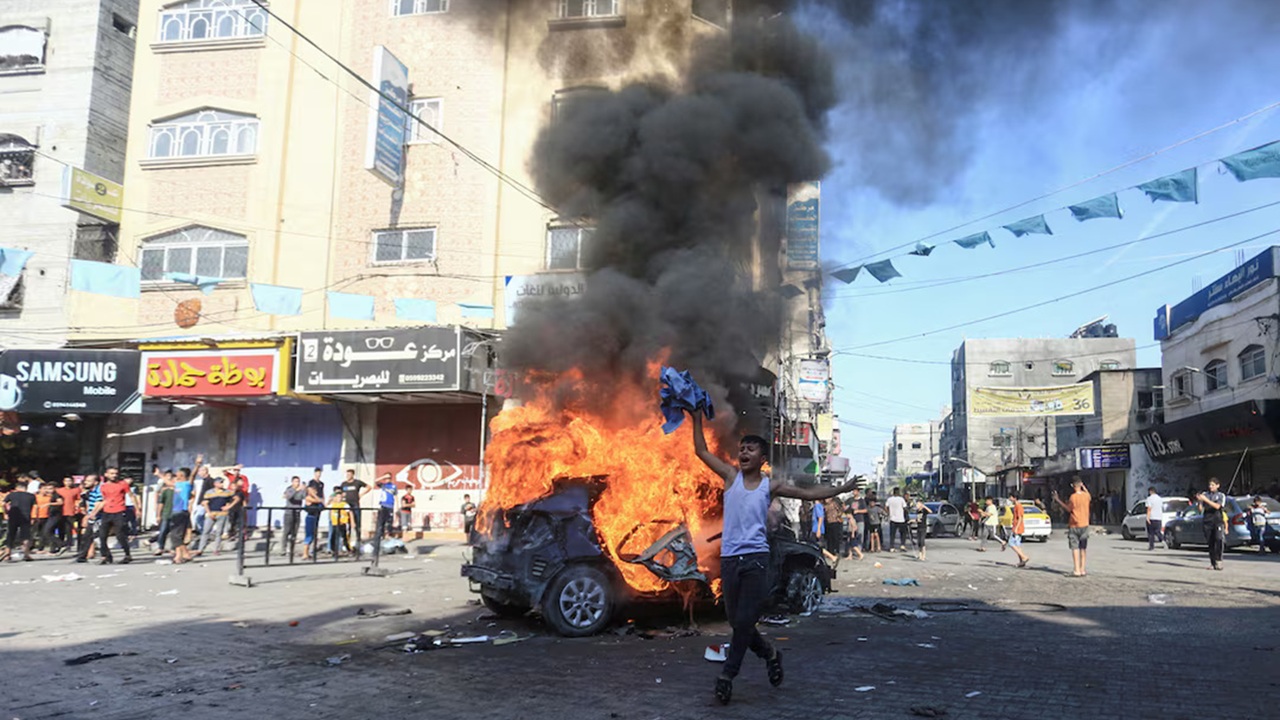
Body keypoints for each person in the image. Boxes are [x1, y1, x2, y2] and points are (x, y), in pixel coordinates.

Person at [686, 409, 859, 705]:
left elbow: (808, 494)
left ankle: (727, 676)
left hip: (755, 560)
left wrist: (842, 488)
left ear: (762, 458)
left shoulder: (770, 486)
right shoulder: (730, 477)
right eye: (741, 448)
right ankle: (770, 653)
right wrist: (696, 417)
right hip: (730, 560)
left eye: (750, 449)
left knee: (743, 621)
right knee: (738, 622)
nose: (743, 452)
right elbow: (701, 450)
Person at [1052, 478, 1092, 577]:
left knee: (1075, 548)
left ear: (1073, 486)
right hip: (1085, 524)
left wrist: (1057, 500)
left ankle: (1076, 569)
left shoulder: (1073, 497)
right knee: (1083, 548)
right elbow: (1089, 495)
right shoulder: (1086, 496)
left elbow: (1068, 509)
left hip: (1074, 524)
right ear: (1081, 485)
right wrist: (1083, 486)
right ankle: (1082, 569)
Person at [95, 468, 133, 565]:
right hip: (107, 512)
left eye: (116, 473)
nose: (114, 475)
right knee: (102, 535)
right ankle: (106, 556)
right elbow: (104, 500)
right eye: (111, 474)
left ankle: (127, 555)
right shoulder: (103, 486)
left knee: (119, 534)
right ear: (106, 474)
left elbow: (131, 495)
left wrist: (138, 509)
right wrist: (93, 513)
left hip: (119, 511)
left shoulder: (123, 484)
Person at [193, 478, 238, 556]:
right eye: (220, 483)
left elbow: (236, 498)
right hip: (211, 514)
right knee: (206, 531)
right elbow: (205, 503)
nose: (222, 484)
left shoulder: (227, 492)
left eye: (222, 483)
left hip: (222, 514)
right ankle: (200, 549)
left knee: (219, 532)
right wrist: (209, 512)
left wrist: (229, 506)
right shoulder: (209, 492)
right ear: (215, 484)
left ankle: (216, 549)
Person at [1196, 479, 1227, 570]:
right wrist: (1199, 501)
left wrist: (1206, 500)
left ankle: (1219, 560)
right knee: (1210, 542)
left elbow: (1217, 506)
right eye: (1210, 485)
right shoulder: (1205, 494)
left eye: (1213, 485)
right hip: (1207, 520)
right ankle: (1213, 563)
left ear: (1218, 485)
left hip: (1217, 520)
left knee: (1219, 539)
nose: (1211, 487)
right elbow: (1200, 510)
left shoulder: (1221, 495)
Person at [2, 483, 35, 561]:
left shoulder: (11, 495)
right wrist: (34, 517)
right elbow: (35, 507)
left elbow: (3, 504)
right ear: (26, 488)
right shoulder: (31, 496)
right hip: (26, 517)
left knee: (11, 534)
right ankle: (26, 554)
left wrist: (5, 512)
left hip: (13, 517)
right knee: (25, 536)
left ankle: (7, 553)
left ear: (17, 488)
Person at [73, 475, 102, 563]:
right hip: (91, 516)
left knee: (98, 536)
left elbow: (99, 503)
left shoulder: (99, 491)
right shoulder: (89, 492)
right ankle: (82, 556)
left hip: (99, 517)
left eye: (89, 481)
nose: (86, 482)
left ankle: (106, 555)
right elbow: (87, 504)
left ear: (95, 482)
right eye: (86, 481)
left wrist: (91, 515)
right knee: (87, 536)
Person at [169, 468, 194, 564]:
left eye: (178, 474)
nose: (176, 475)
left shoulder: (187, 485)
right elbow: (168, 482)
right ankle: (178, 556)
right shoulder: (177, 484)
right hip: (175, 511)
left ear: (182, 476)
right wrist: (159, 474)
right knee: (176, 535)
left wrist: (196, 465)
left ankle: (186, 554)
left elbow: (192, 476)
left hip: (181, 511)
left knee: (175, 536)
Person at [340, 469, 369, 545]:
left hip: (355, 504)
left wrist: (361, 494)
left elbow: (369, 487)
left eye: (349, 475)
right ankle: (347, 540)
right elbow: (340, 493)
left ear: (353, 475)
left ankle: (358, 539)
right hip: (347, 505)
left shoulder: (357, 482)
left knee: (357, 522)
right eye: (347, 474)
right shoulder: (344, 484)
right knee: (347, 523)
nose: (348, 476)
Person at [1002, 490, 1030, 568]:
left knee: (1011, 543)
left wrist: (1016, 528)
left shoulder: (1018, 506)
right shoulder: (1016, 506)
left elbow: (1020, 518)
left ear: (1014, 498)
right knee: (1017, 545)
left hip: (1018, 527)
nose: (1010, 498)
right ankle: (1021, 561)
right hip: (1017, 527)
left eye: (1011, 497)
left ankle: (1024, 557)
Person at [151, 471, 176, 556]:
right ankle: (160, 547)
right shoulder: (166, 491)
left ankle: (173, 548)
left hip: (177, 514)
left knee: (174, 532)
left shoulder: (180, 491)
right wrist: (158, 515)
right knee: (163, 531)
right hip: (166, 513)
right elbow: (161, 503)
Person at [303, 468, 325, 560]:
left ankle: (310, 552)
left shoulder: (321, 484)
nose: (318, 475)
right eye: (317, 473)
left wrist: (323, 501)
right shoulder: (309, 494)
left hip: (317, 512)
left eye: (320, 473)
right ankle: (305, 553)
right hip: (310, 515)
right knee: (309, 534)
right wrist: (318, 499)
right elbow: (310, 495)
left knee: (314, 533)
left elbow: (322, 494)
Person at [55, 477, 81, 555]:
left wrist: (77, 507)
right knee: (61, 529)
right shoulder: (59, 491)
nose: (68, 482)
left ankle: (71, 545)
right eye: (66, 481)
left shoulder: (76, 490)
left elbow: (78, 500)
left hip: (71, 512)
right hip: (61, 512)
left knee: (72, 529)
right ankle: (61, 545)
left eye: (70, 481)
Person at [281, 476, 305, 556]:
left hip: (297, 512)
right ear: (292, 482)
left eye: (298, 481)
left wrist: (305, 489)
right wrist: (296, 490)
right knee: (286, 532)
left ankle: (291, 549)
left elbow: (303, 497)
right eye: (295, 481)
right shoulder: (289, 489)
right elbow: (289, 497)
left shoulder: (300, 490)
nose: (297, 483)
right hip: (289, 513)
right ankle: (283, 549)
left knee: (294, 532)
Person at [328, 488, 351, 557]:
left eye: (340, 497)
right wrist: (330, 499)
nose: (339, 498)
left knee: (344, 537)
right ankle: (334, 550)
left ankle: (348, 549)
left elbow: (350, 512)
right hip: (335, 523)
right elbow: (326, 507)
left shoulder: (344, 504)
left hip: (342, 523)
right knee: (333, 537)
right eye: (337, 497)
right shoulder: (333, 504)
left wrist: (352, 522)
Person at [885, 487, 909, 552]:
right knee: (903, 533)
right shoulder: (901, 499)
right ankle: (902, 545)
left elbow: (886, 507)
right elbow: (905, 508)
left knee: (892, 534)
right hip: (901, 519)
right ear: (899, 492)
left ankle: (892, 547)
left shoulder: (889, 499)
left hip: (892, 518)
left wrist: (888, 513)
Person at [374, 473, 396, 540]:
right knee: (381, 521)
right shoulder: (383, 485)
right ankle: (381, 535)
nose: (387, 479)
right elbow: (375, 481)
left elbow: (396, 495)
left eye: (389, 478)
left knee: (389, 521)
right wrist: (383, 476)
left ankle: (388, 535)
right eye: (386, 478)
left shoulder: (393, 486)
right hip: (383, 505)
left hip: (390, 505)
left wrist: (396, 506)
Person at [1144, 486, 1166, 551]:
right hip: (1159, 517)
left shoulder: (1149, 499)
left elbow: (1149, 508)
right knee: (1158, 531)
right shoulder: (1160, 499)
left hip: (1152, 517)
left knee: (1151, 533)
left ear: (1150, 491)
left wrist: (1147, 517)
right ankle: (1163, 541)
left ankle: (1151, 546)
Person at [913, 496, 931, 561]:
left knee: (922, 541)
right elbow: (917, 519)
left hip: (923, 527)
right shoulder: (917, 511)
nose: (917, 506)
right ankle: (920, 555)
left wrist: (924, 506)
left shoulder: (924, 511)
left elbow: (930, 511)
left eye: (918, 504)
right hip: (919, 527)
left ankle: (924, 555)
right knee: (919, 542)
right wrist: (912, 521)